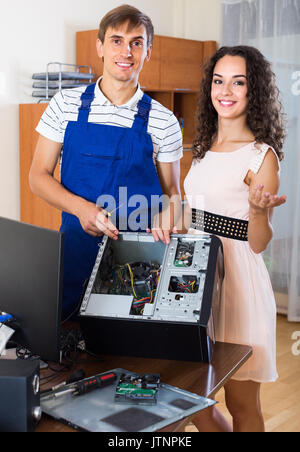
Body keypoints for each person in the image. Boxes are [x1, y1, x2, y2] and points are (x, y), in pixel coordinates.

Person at [29, 5, 182, 319]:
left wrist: (169, 215)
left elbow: (174, 195)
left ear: (147, 52)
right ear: (100, 46)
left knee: (133, 354)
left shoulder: (164, 121)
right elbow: (38, 176)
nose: (126, 51)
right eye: (116, 41)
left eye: (136, 43)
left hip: (138, 262)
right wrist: (81, 208)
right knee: (68, 347)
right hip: (75, 253)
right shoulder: (65, 104)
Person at [182, 46, 287, 432]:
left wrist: (259, 212)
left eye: (238, 82)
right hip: (195, 281)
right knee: (191, 400)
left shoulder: (262, 156)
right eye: (219, 80)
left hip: (238, 286)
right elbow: (195, 213)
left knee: (242, 405)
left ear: (253, 90)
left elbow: (258, 242)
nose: (226, 90)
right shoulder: (202, 148)